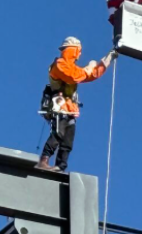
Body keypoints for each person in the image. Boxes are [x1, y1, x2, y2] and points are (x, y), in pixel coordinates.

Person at [37, 37, 115, 172]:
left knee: (67, 140)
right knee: (58, 133)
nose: (79, 55)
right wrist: (89, 68)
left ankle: (60, 166)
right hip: (59, 106)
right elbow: (73, 76)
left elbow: (91, 75)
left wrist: (108, 59)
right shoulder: (59, 65)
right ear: (72, 50)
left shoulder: (72, 68)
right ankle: (44, 160)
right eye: (78, 51)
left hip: (70, 108)